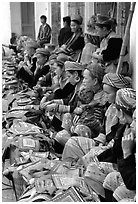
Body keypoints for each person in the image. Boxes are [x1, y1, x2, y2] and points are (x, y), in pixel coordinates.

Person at [62, 73, 132, 162]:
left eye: (108, 93)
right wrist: (99, 141)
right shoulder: (110, 107)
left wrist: (101, 145)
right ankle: (68, 166)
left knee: (88, 151)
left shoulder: (121, 112)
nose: (105, 96)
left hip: (110, 149)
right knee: (72, 142)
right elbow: (104, 130)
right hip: (102, 142)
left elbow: (116, 139)